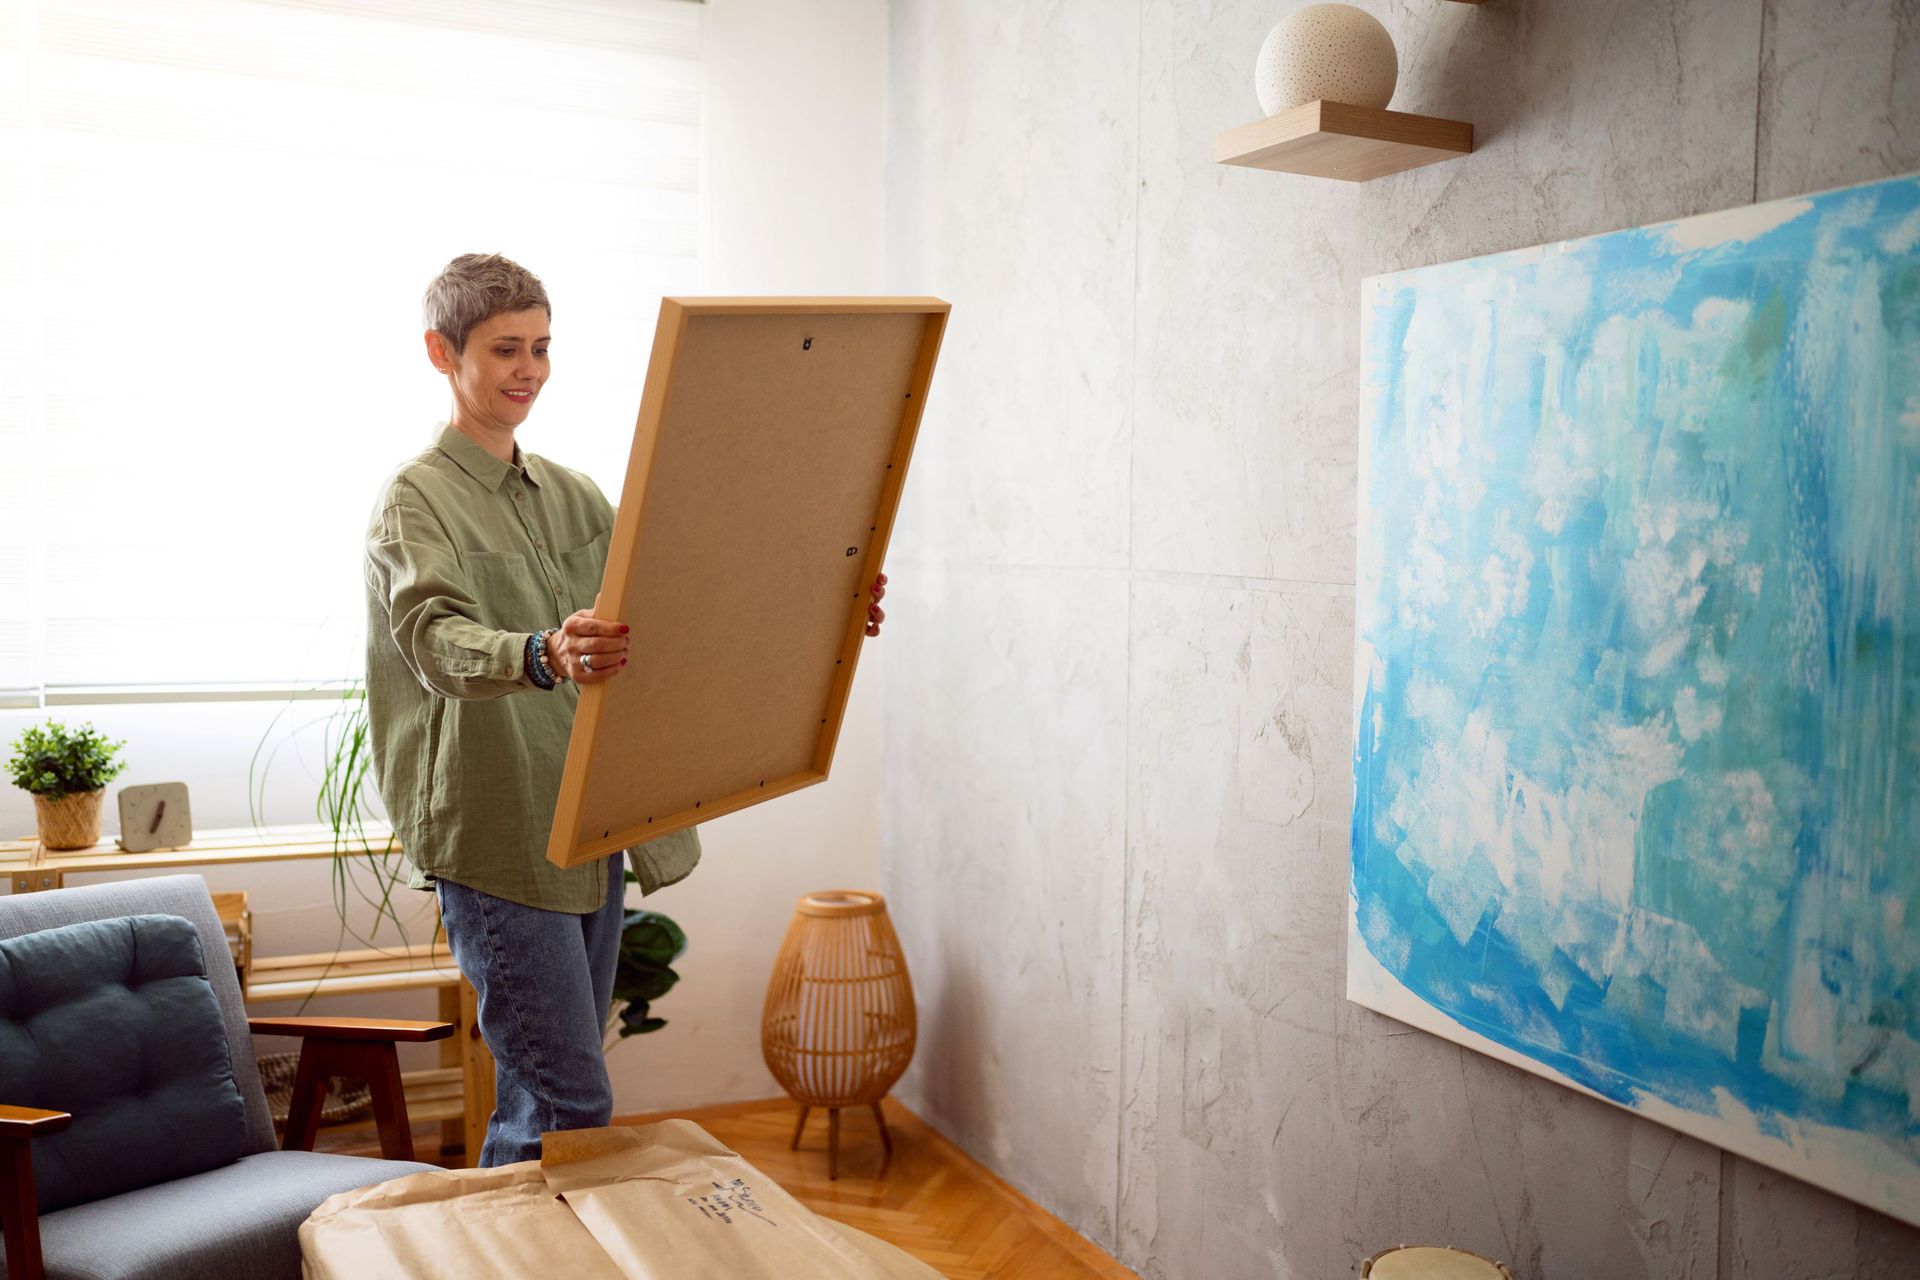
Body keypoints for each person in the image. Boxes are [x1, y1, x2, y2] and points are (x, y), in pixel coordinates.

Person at [362, 253, 887, 1165]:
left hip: (589, 817)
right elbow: (433, 637)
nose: (529, 369)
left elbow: (674, 606)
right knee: (570, 1100)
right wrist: (542, 649)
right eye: (504, 350)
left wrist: (821, 600)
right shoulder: (415, 499)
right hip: (495, 832)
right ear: (441, 353)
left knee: (543, 1099)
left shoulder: (574, 494)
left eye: (542, 347)